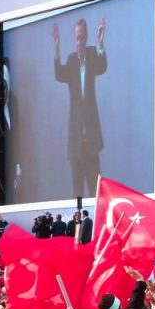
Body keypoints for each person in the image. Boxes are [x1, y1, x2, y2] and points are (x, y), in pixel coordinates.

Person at [53, 15, 110, 201]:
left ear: (86, 37)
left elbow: (102, 67)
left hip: (91, 139)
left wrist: (100, 42)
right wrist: (57, 48)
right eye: (77, 38)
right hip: (75, 141)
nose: (79, 42)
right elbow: (59, 75)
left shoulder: (93, 55)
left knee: (96, 191)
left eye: (82, 38)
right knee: (77, 192)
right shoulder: (71, 60)